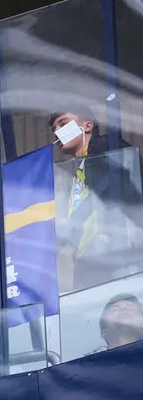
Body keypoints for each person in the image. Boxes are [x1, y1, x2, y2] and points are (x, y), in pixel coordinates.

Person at [49, 108, 143, 290]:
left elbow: (123, 182)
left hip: (115, 252)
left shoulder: (105, 146)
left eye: (63, 123)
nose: (56, 132)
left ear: (87, 125)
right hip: (89, 260)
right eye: (54, 128)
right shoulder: (77, 171)